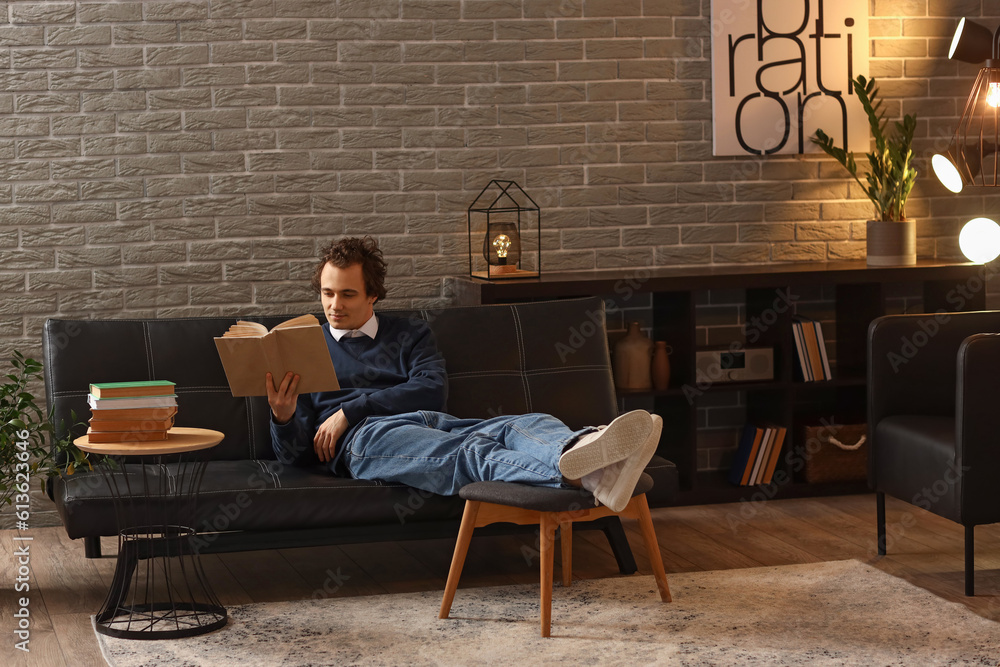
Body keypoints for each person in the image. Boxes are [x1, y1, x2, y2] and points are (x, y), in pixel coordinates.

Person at [267, 236, 661, 512]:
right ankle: (592, 477)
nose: (334, 305)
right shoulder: (304, 347)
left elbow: (432, 390)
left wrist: (349, 409)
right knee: (470, 454)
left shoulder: (410, 332)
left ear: (373, 295)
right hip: (366, 439)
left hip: (433, 422)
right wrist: (283, 417)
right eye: (327, 293)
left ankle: (587, 446)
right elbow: (296, 454)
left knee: (525, 424)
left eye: (347, 294)